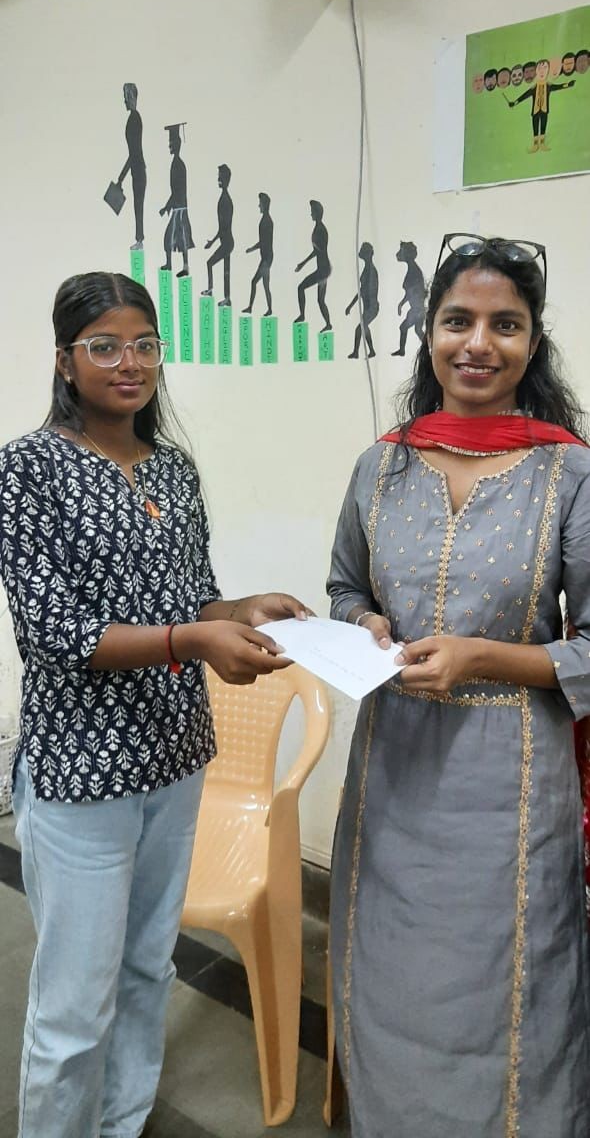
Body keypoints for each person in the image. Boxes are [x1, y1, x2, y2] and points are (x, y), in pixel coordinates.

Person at [0, 271, 310, 1138]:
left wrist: (240, 610)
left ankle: (122, 1122)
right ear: (64, 360)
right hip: (81, 773)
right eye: (104, 346)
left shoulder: (172, 468)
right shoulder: (26, 469)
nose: (128, 362)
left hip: (174, 760)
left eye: (144, 344)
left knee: (146, 972)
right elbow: (57, 633)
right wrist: (194, 640)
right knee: (73, 1010)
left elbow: (192, 597)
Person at [327, 233, 590, 1138]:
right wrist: (363, 622)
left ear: (532, 343)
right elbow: (346, 586)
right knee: (395, 978)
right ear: (429, 332)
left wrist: (481, 657)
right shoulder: (382, 464)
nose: (479, 344)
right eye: (458, 321)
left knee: (504, 984)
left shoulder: (570, 470)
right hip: (392, 772)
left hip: (511, 780)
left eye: (504, 325)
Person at [160, 122, 194, 278]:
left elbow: (177, 190)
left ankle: (182, 266)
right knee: (178, 238)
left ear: (176, 145)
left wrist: (167, 206)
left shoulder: (178, 165)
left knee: (179, 238)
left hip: (179, 209)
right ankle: (173, 264)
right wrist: (168, 206)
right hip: (178, 207)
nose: (169, 146)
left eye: (171, 143)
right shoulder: (176, 164)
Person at [294, 200, 332, 332]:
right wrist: (303, 264)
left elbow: (317, 251)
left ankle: (304, 316)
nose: (311, 214)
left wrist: (303, 264)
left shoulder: (321, 230)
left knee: (302, 288)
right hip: (323, 269)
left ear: (317, 213)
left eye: (312, 212)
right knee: (320, 300)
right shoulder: (318, 228)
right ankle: (327, 324)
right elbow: (317, 250)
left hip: (323, 270)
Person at [117, 83, 146, 251]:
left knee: (138, 205)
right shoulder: (133, 118)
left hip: (138, 168)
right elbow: (133, 153)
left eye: (126, 97)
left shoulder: (134, 119)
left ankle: (140, 240)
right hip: (137, 168)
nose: (124, 101)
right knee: (137, 205)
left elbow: (134, 152)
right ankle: (139, 239)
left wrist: (121, 177)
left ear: (132, 97)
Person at [203, 163, 234, 307]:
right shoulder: (224, 198)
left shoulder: (225, 200)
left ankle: (211, 290)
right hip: (227, 241)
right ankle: (227, 298)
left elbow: (223, 227)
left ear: (226, 179)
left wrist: (212, 242)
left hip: (227, 242)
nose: (218, 179)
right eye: (218, 176)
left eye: (220, 177)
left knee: (210, 263)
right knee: (226, 270)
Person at [345, 241, 379, 359]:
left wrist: (365, 306)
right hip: (368, 307)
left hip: (372, 307)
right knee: (364, 328)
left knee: (360, 329)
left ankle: (356, 352)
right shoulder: (367, 269)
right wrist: (350, 306)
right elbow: (361, 291)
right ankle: (371, 351)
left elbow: (368, 291)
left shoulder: (371, 271)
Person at [243, 191, 274, 316]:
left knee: (256, 282)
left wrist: (251, 249)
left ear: (264, 205)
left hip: (267, 258)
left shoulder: (267, 221)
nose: (259, 205)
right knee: (263, 284)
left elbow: (263, 242)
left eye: (260, 203)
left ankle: (253, 308)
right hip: (267, 257)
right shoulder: (266, 220)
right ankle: (266, 309)